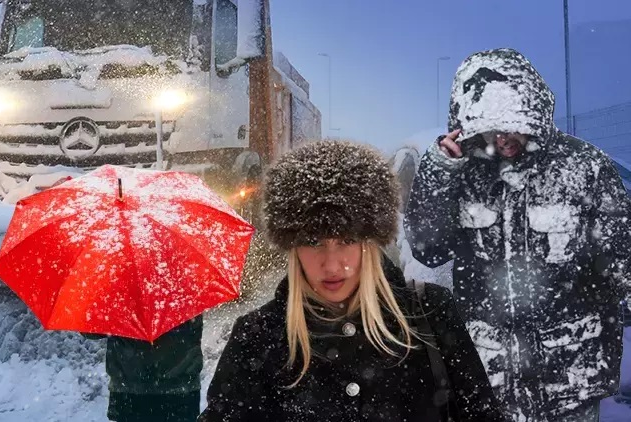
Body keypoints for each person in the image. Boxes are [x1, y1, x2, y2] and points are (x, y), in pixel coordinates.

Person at [199, 141, 504, 421]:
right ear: (292, 247)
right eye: (314, 241)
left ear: (370, 242)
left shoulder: (430, 315)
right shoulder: (258, 336)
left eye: (346, 239)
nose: (332, 264)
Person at [404, 48, 631, 421]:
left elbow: (623, 258)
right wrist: (439, 170)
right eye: (492, 129)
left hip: (569, 377)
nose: (504, 139)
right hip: (486, 376)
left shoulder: (585, 168)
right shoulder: (464, 173)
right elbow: (428, 248)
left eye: (512, 126)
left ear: (535, 116)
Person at [83, 315, 203, 422]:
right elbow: (195, 331)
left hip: (130, 391)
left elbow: (89, 328)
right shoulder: (185, 296)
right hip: (181, 392)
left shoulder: (120, 297)